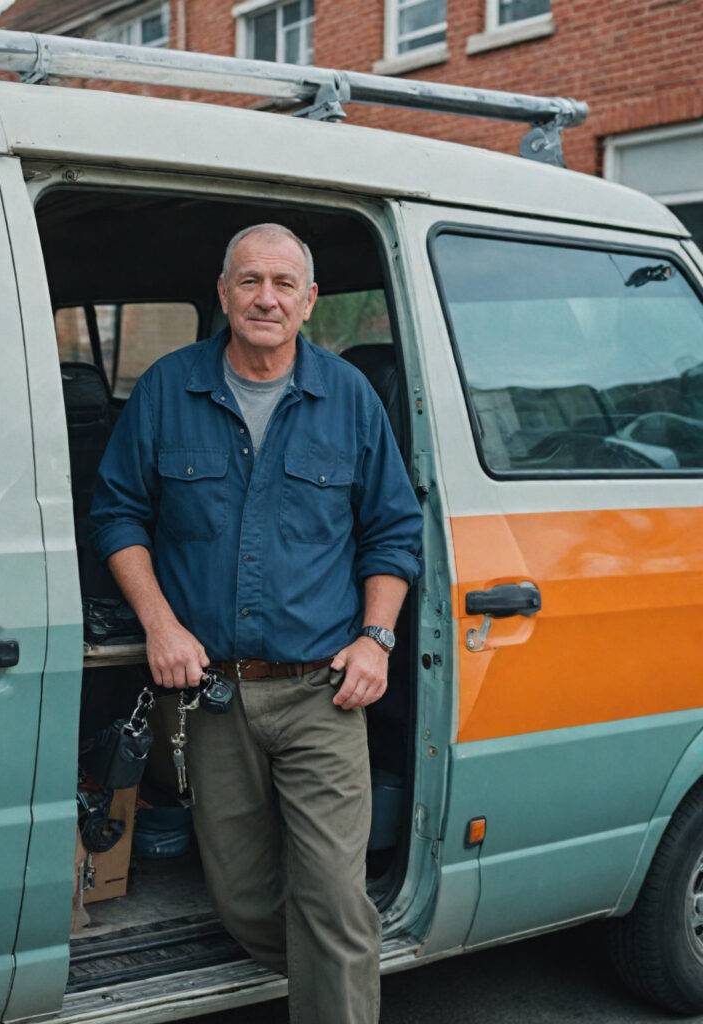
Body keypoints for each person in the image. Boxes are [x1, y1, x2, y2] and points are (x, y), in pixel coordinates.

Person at [90, 222, 423, 1024]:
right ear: (223, 293)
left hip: (324, 693)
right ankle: (339, 970)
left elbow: (394, 532)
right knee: (240, 898)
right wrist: (161, 626)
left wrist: (376, 639)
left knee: (336, 898)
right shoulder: (170, 389)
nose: (265, 298)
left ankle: (341, 982)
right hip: (213, 697)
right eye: (249, 281)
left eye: (282, 284)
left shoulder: (348, 399)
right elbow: (118, 516)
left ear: (309, 301)